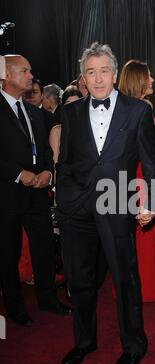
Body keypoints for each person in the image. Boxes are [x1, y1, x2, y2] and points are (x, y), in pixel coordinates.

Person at [56, 42, 155, 364]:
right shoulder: (70, 112)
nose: (98, 78)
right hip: (77, 210)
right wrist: (66, 201)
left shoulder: (138, 110)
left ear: (114, 74)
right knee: (79, 281)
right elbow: (67, 162)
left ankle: (134, 345)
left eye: (104, 71)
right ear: (83, 78)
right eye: (91, 72)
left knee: (124, 277)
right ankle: (84, 342)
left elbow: (150, 164)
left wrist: (152, 201)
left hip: (117, 203)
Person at [0, 54, 72, 326]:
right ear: (6, 74)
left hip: (38, 193)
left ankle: (47, 298)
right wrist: (20, 174)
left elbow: (43, 150)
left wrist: (47, 172)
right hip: (7, 194)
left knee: (43, 248)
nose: (31, 76)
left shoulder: (34, 111)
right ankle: (15, 307)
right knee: (8, 252)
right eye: (25, 71)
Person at [118, 59, 155, 302]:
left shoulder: (126, 107)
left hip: (130, 176)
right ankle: (147, 288)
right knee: (144, 234)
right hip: (143, 176)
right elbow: (149, 151)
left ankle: (140, 287)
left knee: (135, 236)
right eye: (148, 75)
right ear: (138, 79)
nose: (153, 80)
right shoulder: (142, 108)